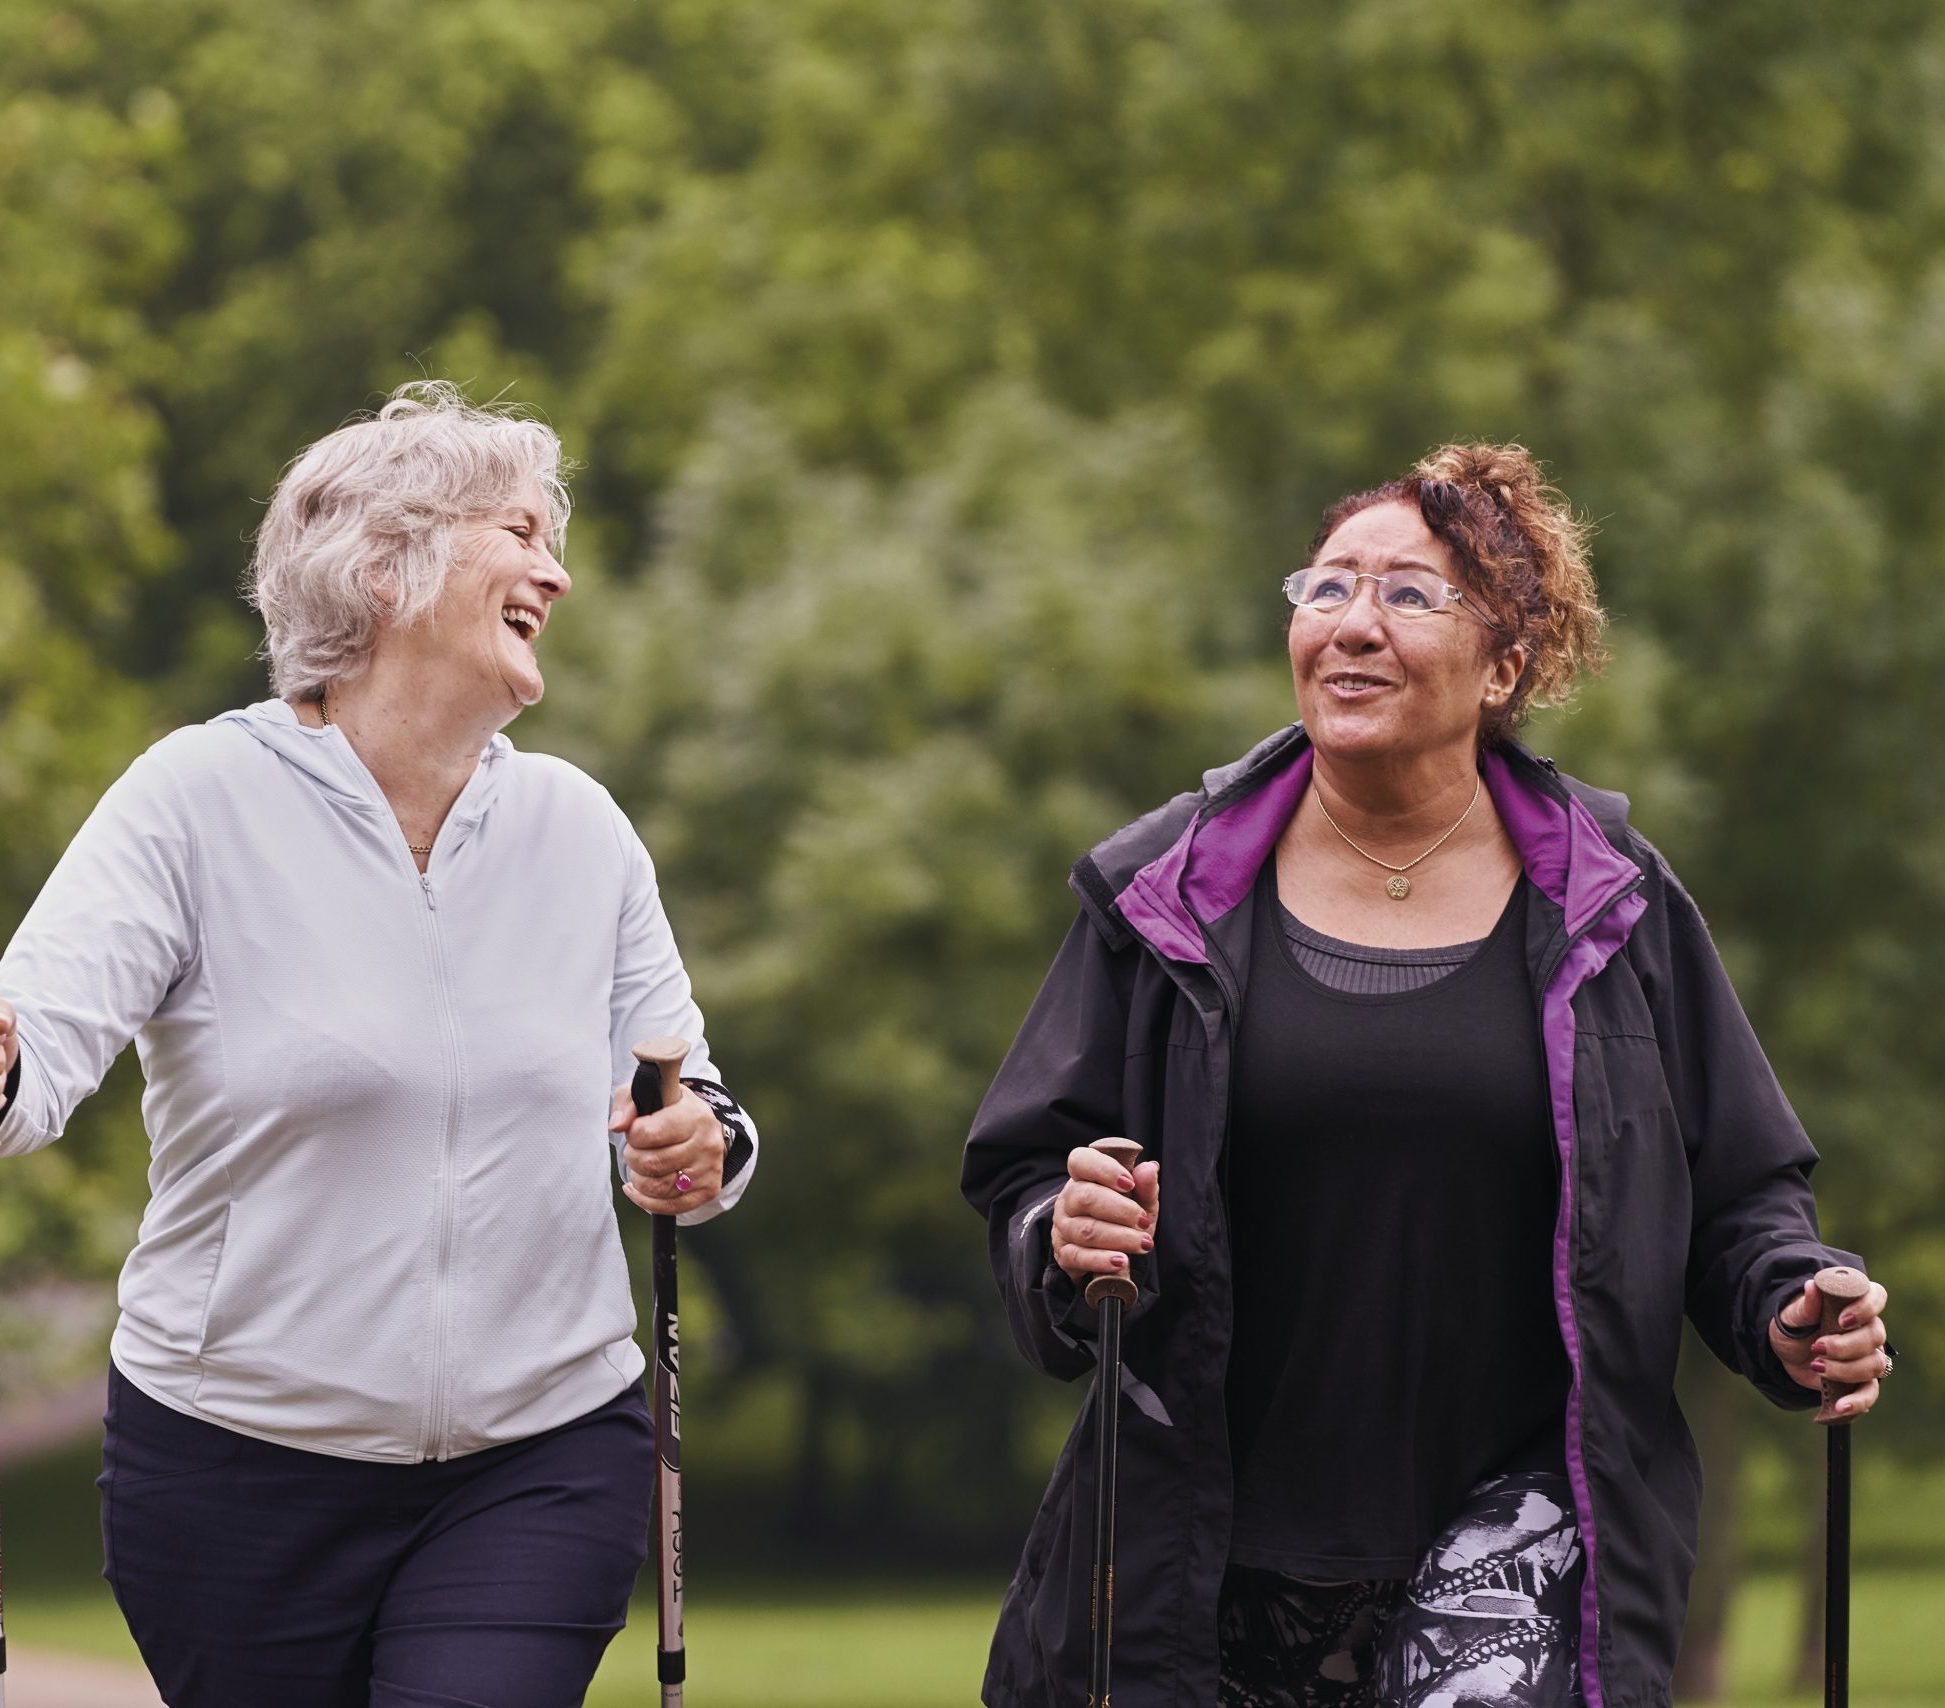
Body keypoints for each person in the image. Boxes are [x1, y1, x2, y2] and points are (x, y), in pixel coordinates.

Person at [962, 443, 1894, 1708]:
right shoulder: (1162, 893)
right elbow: (1027, 1166)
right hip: (1207, 1550)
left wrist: (1793, 1302)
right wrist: (1060, 1231)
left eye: (1408, 595)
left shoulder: (1610, 900)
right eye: (1326, 587)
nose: (1352, 624)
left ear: (1503, 665)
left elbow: (1740, 1191)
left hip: (1518, 1537)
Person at [0, 382, 758, 1707]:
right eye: (519, 532)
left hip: (541, 1453)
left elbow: (693, 1104)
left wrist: (697, 1143)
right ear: (383, 564)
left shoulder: (579, 832)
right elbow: (32, 1064)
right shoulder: (196, 802)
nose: (558, 574)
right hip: (232, 1471)